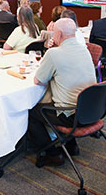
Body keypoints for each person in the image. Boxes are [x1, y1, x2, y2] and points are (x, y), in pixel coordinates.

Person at [28, 18, 96, 167]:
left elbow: (38, 81)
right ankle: (71, 145)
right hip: (92, 110)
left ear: (58, 34)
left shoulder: (54, 54)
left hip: (70, 115)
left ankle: (52, 154)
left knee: (31, 112)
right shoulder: (84, 50)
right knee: (67, 96)